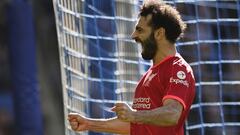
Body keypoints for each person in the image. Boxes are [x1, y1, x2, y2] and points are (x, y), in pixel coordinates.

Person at [68, 0, 195, 135]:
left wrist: (134, 115)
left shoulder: (178, 69)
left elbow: (172, 114)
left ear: (159, 34)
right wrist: (88, 123)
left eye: (140, 30)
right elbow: (135, 126)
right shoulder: (149, 76)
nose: (133, 35)